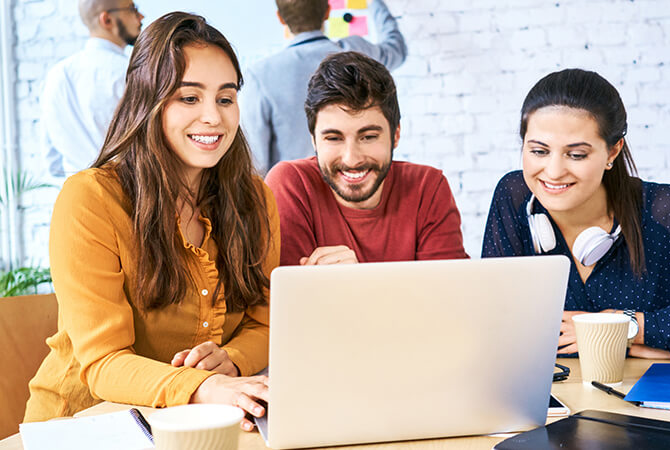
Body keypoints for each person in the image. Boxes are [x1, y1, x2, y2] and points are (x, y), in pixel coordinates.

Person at [25, 12, 278, 431]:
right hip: (84, 426)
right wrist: (203, 386)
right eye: (189, 98)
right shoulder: (91, 198)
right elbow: (104, 362)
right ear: (148, 100)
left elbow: (263, 321)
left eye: (226, 98)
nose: (214, 117)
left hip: (198, 426)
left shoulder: (254, 198)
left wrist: (231, 359)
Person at [481, 68, 670, 363]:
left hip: (653, 404)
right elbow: (493, 326)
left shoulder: (667, 210)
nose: (554, 171)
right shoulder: (515, 196)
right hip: (557, 402)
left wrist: (626, 328)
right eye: (539, 151)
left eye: (576, 154)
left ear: (612, 152)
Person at [266, 51, 467, 266]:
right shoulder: (291, 184)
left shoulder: (427, 188)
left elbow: (447, 296)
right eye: (334, 138)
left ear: (396, 134)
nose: (351, 159)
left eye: (368, 137)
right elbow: (290, 297)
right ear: (314, 140)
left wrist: (353, 283)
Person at [240, 0, 407, 174]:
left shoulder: (260, 75)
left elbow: (255, 163)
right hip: (356, 188)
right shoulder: (356, 53)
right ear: (328, 11)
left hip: (289, 195)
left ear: (280, 18)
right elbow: (396, 49)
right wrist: (374, 3)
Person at [40, 0, 144, 177]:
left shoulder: (55, 75)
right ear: (107, 20)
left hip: (75, 196)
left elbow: (52, 161)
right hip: (126, 193)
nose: (141, 17)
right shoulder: (130, 73)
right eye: (132, 9)